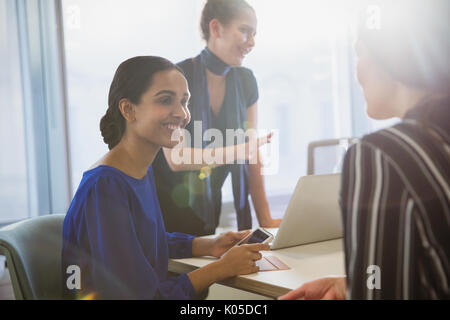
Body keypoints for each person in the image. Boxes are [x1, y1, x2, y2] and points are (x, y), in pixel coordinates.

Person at [279, 0, 449, 300]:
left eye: (359, 53)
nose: (357, 71)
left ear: (388, 55)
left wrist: (363, 288)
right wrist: (353, 284)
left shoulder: (383, 156)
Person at [61, 56, 270, 300]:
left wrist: (209, 245)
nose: (182, 113)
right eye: (166, 100)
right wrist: (221, 268)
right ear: (128, 109)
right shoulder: (106, 187)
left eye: (185, 101)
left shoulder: (139, 170)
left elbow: (146, 241)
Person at [153, 0, 281, 236]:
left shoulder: (246, 82)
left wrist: (266, 221)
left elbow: (252, 156)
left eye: (254, 34)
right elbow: (177, 157)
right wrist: (241, 150)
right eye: (244, 31)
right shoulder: (177, 77)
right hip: (165, 217)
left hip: (208, 219)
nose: (251, 42)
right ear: (216, 28)